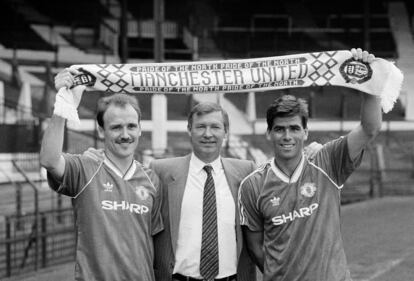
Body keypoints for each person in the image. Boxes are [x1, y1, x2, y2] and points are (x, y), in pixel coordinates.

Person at [238, 48, 382, 281]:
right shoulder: (252, 185)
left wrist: (369, 85)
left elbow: (370, 129)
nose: (287, 136)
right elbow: (255, 247)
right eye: (279, 129)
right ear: (268, 133)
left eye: (294, 128)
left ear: (305, 131)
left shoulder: (327, 162)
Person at [40, 69, 163, 281]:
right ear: (100, 131)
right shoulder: (86, 167)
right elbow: (49, 160)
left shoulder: (151, 179)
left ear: (140, 129)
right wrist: (63, 106)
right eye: (116, 128)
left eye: (131, 126)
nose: (125, 135)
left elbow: (156, 242)